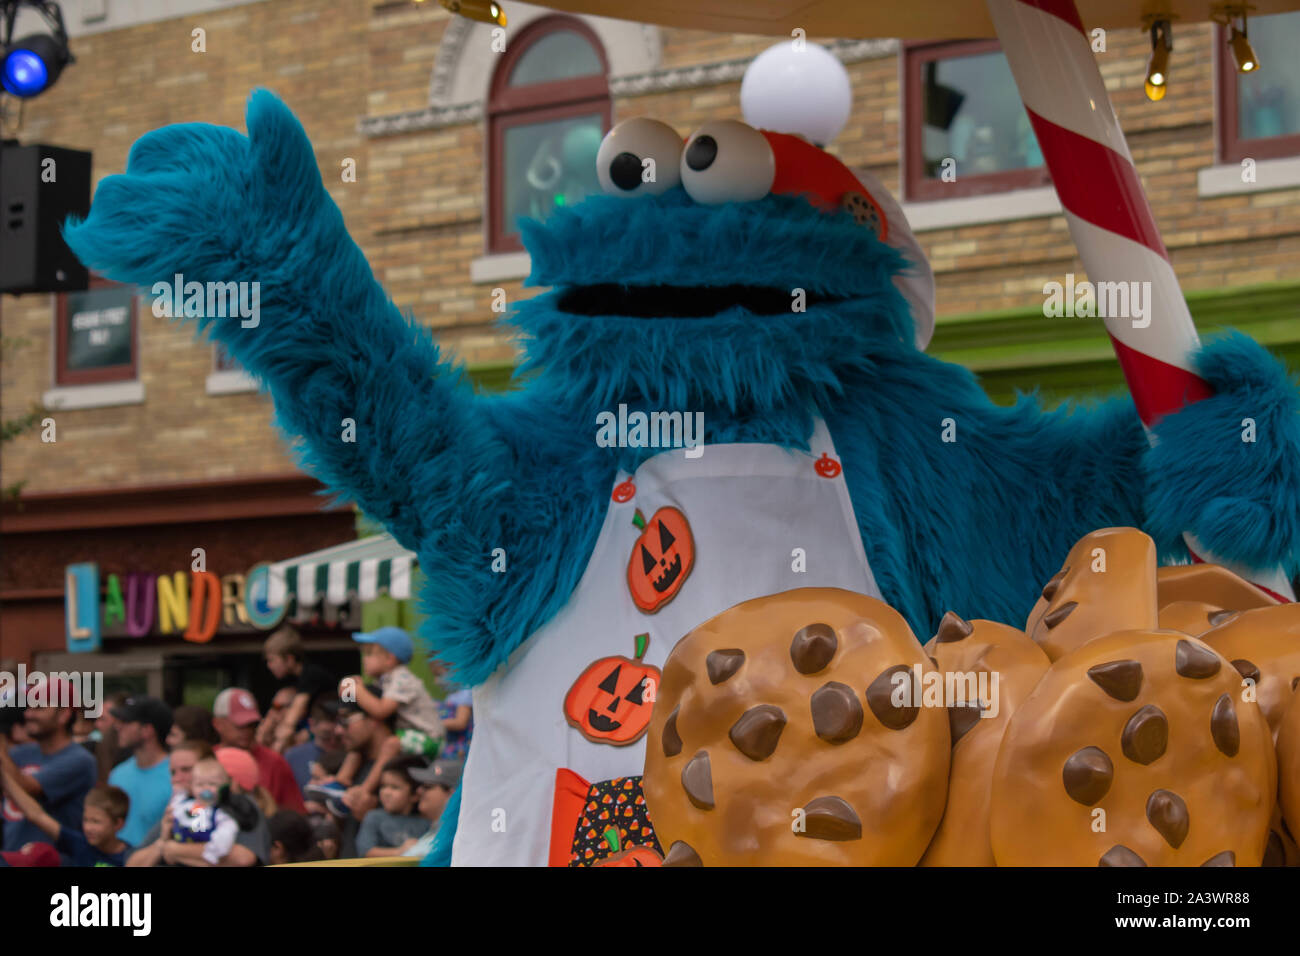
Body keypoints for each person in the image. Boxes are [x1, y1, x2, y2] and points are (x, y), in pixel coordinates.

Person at [338, 627, 443, 800]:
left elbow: (381, 711)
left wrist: (357, 690)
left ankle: (365, 790)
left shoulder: (402, 678)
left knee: (391, 744)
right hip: (407, 734)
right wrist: (348, 689)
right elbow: (353, 703)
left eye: (370, 654)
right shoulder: (384, 681)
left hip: (430, 738)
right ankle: (342, 779)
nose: (364, 660)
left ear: (389, 659)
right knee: (360, 742)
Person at [127, 740, 267, 867]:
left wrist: (174, 850)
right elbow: (133, 864)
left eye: (186, 770)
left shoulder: (237, 804)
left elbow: (243, 859)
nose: (177, 779)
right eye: (173, 772)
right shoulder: (182, 808)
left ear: (210, 767)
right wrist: (162, 842)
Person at [0, 680, 97, 861]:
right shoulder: (20, 754)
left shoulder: (80, 760)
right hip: (12, 859)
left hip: (53, 862)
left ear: (63, 715)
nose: (28, 714)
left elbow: (27, 788)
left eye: (38, 708)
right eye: (28, 707)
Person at [0, 770, 132, 867]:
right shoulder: (81, 844)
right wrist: (4, 776)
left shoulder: (132, 858)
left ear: (118, 824)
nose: (88, 827)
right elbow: (37, 815)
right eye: (86, 820)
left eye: (96, 822)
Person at [211, 687, 305, 813]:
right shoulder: (207, 759)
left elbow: (295, 815)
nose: (247, 731)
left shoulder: (275, 762)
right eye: (240, 725)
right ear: (217, 724)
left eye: (252, 724)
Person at [107, 696, 174, 846]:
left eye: (126, 722)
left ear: (147, 730)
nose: (118, 726)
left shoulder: (176, 774)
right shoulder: (117, 774)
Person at [261, 625, 337, 753]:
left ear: (289, 659)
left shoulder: (310, 675)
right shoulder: (294, 678)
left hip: (331, 731)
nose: (269, 666)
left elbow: (291, 719)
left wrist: (275, 752)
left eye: (272, 660)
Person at [354, 755, 430, 858]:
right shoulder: (374, 817)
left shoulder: (425, 822)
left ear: (415, 795)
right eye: (383, 786)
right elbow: (366, 851)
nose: (386, 792)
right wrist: (399, 852)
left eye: (395, 787)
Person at [402, 758, 462, 858]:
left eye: (427, 787)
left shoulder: (455, 839)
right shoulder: (438, 831)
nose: (419, 791)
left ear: (452, 794)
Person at [284, 699, 343, 794]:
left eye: (339, 738)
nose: (332, 742)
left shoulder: (351, 756)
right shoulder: (293, 757)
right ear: (312, 724)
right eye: (326, 736)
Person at [432, 661, 473, 762]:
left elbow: (461, 722)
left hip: (462, 745)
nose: (436, 681)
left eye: (438, 675)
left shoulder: (465, 693)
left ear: (454, 670)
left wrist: (435, 723)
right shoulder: (451, 696)